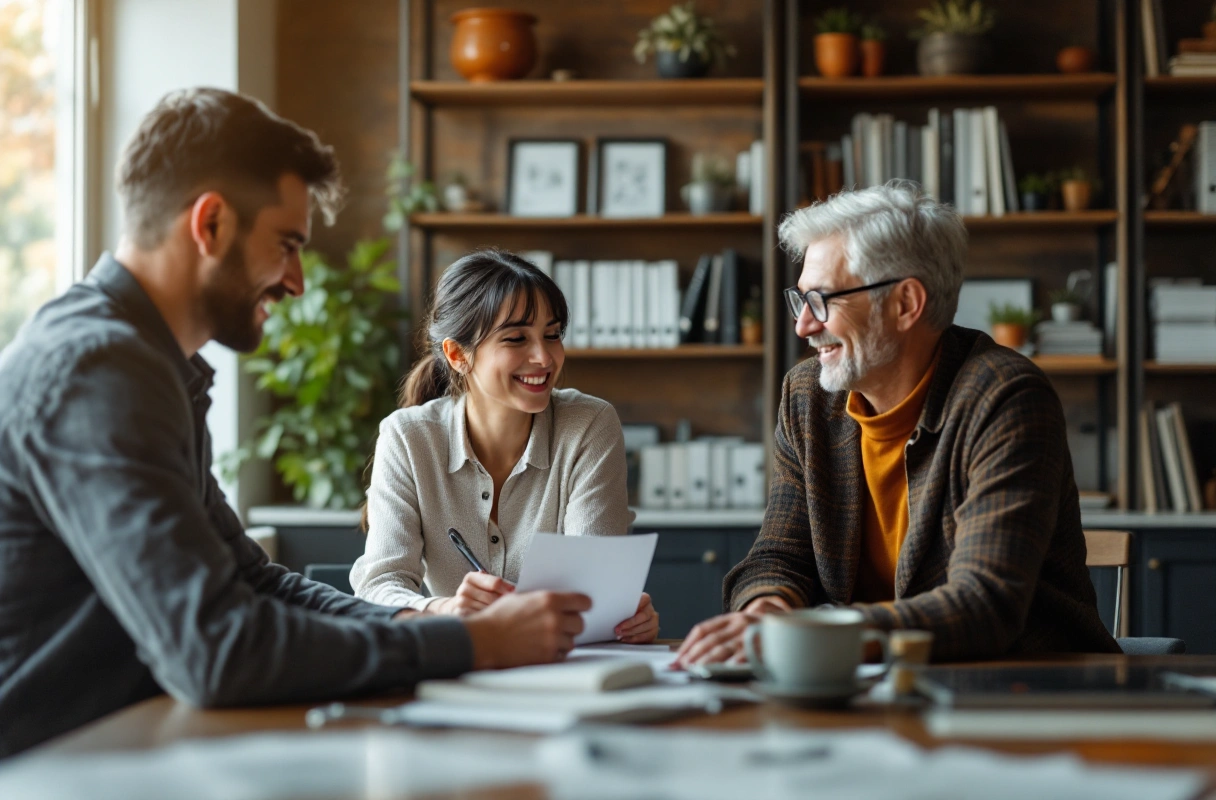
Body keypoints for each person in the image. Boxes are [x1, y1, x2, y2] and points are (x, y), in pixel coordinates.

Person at [0, 88, 592, 759]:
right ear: (211, 224)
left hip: (115, 748)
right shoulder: (96, 371)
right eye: (287, 244)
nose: (298, 281)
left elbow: (255, 580)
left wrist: (416, 616)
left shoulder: (150, 366)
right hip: (45, 769)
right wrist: (472, 642)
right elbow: (215, 649)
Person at [675, 180, 1119, 667]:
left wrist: (809, 633)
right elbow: (779, 554)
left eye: (822, 300)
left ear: (906, 303)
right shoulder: (807, 398)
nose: (803, 325)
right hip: (874, 684)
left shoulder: (1004, 397)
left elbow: (984, 604)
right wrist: (765, 613)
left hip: (1028, 694)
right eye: (800, 300)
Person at [350, 249, 660, 644]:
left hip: (562, 668)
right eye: (516, 338)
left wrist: (620, 615)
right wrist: (445, 609)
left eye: (552, 335)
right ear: (457, 354)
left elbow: (592, 586)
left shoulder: (589, 425)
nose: (544, 357)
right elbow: (378, 584)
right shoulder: (408, 437)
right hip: (459, 663)